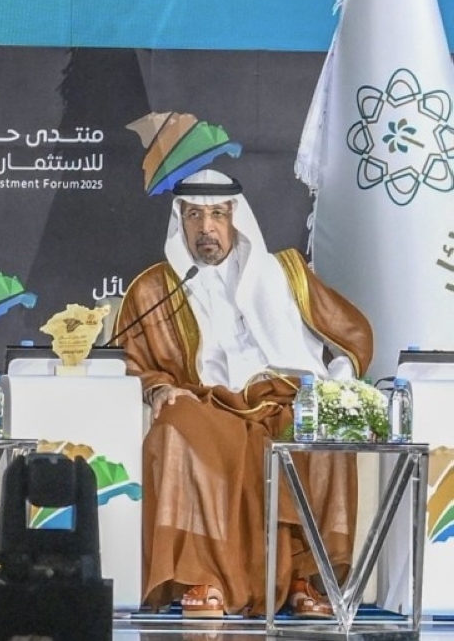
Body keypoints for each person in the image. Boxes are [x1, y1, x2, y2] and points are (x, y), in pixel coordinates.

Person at [111, 169, 373, 619]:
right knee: (176, 427)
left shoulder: (285, 273)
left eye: (217, 214)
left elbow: (354, 334)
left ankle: (303, 577)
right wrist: (159, 389)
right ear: (180, 221)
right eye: (195, 216)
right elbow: (128, 361)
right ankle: (203, 577)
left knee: (320, 433)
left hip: (285, 398)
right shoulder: (154, 288)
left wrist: (337, 381)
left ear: (235, 218)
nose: (206, 227)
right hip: (209, 403)